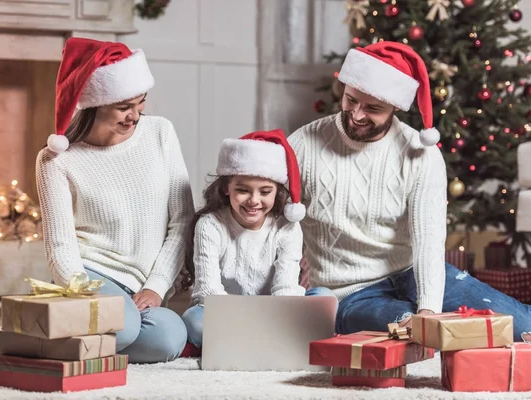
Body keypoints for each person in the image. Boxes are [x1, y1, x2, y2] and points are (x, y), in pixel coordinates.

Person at [288, 41, 531, 341]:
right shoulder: (303, 144)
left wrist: (429, 308)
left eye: (373, 108)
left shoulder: (420, 152)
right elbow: (275, 218)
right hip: (349, 292)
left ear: (394, 106)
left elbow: (428, 238)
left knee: (519, 327)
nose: (357, 114)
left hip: (410, 273)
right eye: (351, 100)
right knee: (406, 329)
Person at [35, 37, 195, 362]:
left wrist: (157, 286)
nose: (134, 116)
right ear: (95, 103)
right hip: (91, 274)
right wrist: (81, 290)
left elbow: (183, 220)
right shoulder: (56, 160)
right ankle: (33, 336)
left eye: (141, 103)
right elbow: (60, 247)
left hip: (140, 286)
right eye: (123, 107)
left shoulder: (160, 133)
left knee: (169, 338)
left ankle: (46, 333)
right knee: (122, 329)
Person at [180, 129, 334, 351]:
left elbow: (285, 288)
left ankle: (243, 343)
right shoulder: (210, 225)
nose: (254, 200)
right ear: (226, 188)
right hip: (221, 313)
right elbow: (209, 292)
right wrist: (250, 323)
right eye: (243, 190)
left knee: (324, 298)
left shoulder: (287, 227)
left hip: (275, 311)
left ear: (277, 192)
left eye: (265, 192)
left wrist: (271, 318)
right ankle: (272, 342)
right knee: (195, 322)